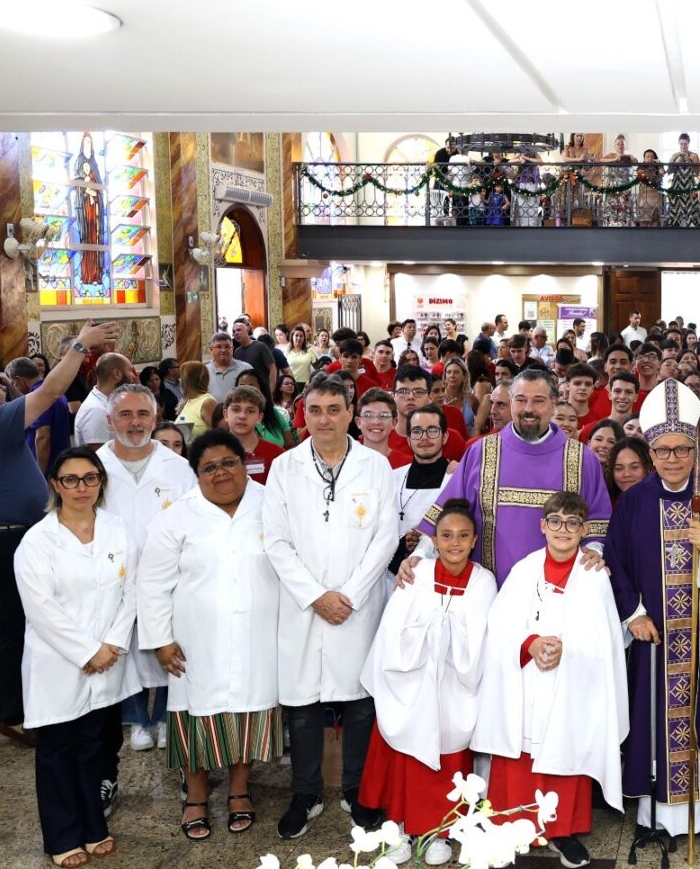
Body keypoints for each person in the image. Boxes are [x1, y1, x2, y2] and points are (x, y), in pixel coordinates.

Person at [606, 379, 700, 845]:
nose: (672, 458)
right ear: (650, 453)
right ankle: (654, 817)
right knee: (653, 720)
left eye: (682, 449)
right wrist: (634, 615)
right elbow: (615, 562)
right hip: (654, 637)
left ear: (696, 448)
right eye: (663, 450)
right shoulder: (633, 502)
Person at [262, 371, 399, 838]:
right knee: (303, 703)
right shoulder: (285, 467)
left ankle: (357, 791)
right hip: (305, 604)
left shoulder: (375, 467)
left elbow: (385, 538)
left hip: (358, 603)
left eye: (334, 410)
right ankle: (306, 792)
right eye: (314, 410)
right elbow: (275, 541)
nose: (324, 419)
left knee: (360, 701)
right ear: (303, 413)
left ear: (350, 413)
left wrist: (352, 594)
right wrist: (316, 596)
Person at [136, 430, 281, 841]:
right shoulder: (176, 517)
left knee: (248, 712)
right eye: (209, 467)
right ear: (196, 474)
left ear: (244, 462)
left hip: (258, 636)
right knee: (195, 715)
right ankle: (196, 796)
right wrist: (161, 641)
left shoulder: (271, 504)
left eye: (229, 462)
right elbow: (151, 584)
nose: (221, 473)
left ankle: (239, 791)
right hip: (194, 640)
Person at [477, 492, 628, 869]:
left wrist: (567, 649)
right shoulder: (525, 569)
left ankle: (563, 831)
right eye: (555, 522)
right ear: (543, 526)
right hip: (526, 679)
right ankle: (512, 824)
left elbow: (605, 640)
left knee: (567, 745)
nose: (563, 529)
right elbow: (499, 625)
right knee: (522, 746)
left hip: (572, 683)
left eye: (572, 523)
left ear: (584, 530)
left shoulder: (594, 576)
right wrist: (530, 644)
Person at [16, 446, 138, 867]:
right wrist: (88, 651)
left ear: (101, 483)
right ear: (55, 484)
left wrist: (113, 645)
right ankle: (63, 836)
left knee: (93, 746)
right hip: (58, 661)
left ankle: (93, 827)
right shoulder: (37, 541)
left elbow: (132, 591)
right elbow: (41, 609)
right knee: (56, 750)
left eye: (90, 478)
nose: (81, 487)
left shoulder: (117, 530)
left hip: (108, 657)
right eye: (70, 479)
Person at [360, 498, 497, 867]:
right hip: (413, 680)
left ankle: (439, 829)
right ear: (434, 539)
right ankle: (399, 825)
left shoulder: (484, 581)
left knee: (449, 753)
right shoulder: (417, 572)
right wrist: (431, 632)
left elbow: (485, 637)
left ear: (474, 540)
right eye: (447, 535)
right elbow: (394, 627)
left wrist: (448, 632)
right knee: (405, 748)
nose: (454, 543)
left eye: (463, 536)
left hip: (455, 686)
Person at [410, 369, 613, 585]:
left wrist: (593, 550)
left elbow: (598, 522)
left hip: (559, 592)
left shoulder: (582, 459)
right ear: (511, 401)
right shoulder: (481, 452)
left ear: (554, 403)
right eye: (521, 400)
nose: (528, 409)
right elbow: (446, 513)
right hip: (489, 587)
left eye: (538, 401)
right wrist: (420, 555)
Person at [95, 383, 198, 755]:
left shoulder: (179, 468)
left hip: (168, 580)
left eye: (142, 414)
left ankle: (167, 719)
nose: (134, 423)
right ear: (110, 421)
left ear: (155, 418)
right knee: (122, 654)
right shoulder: (94, 467)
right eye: (125, 414)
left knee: (170, 648)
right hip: (112, 580)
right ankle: (138, 719)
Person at [387, 405, 456, 581]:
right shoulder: (392, 478)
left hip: (434, 575)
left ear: (445, 436)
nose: (424, 437)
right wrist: (404, 543)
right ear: (408, 439)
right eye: (417, 431)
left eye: (432, 430)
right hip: (388, 572)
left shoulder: (455, 479)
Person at [222, 385, 283, 485]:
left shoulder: (276, 455)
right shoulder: (210, 454)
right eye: (236, 409)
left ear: (259, 417)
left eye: (250, 411)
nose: (242, 416)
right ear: (225, 414)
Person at [73, 352, 135, 447]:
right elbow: (99, 457)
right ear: (117, 374)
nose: (133, 376)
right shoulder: (96, 411)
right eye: (130, 370)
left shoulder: (109, 402)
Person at [205, 333, 252, 405]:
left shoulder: (246, 368)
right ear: (211, 349)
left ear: (232, 349)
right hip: (212, 414)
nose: (223, 350)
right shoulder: (204, 371)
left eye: (227, 346)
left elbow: (253, 395)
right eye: (219, 347)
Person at [176, 361, 216, 440]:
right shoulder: (187, 400)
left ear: (187, 380)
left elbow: (218, 435)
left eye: (181, 377)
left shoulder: (207, 402)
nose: (180, 380)